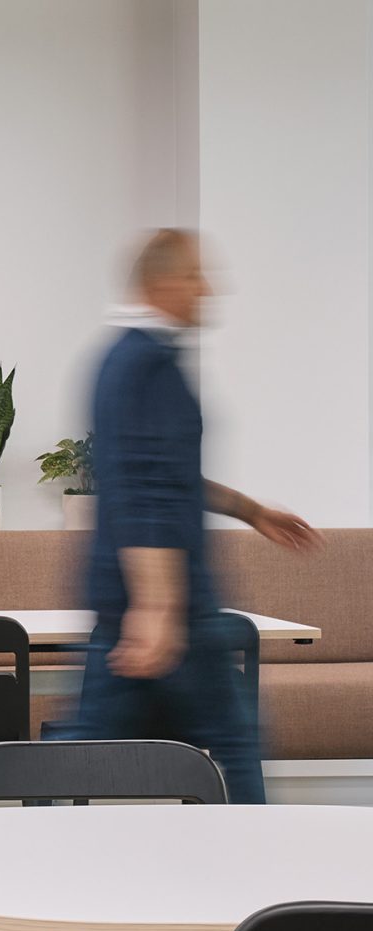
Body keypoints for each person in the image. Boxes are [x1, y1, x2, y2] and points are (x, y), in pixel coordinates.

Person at [75, 229, 322, 804]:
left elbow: (169, 476)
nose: (208, 289)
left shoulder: (120, 359)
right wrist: (156, 605)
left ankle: (45, 859)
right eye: (194, 276)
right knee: (235, 742)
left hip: (138, 602)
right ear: (161, 283)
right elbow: (142, 490)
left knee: (85, 750)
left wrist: (251, 510)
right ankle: (255, 871)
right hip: (173, 608)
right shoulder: (148, 364)